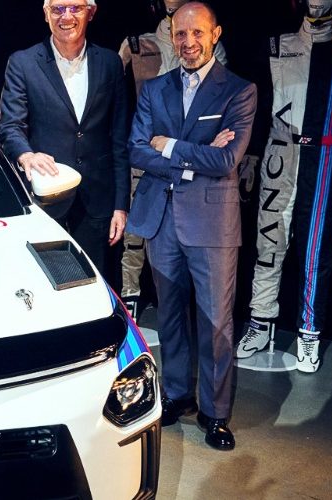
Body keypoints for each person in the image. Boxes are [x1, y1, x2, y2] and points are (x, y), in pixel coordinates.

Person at [125, 1, 255, 451]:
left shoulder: (238, 90)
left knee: (216, 322)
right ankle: (178, 395)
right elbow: (136, 150)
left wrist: (169, 146)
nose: (188, 42)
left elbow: (226, 160)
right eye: (181, 34)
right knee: (171, 317)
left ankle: (215, 414)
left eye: (197, 33)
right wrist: (191, 154)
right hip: (162, 220)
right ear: (171, 36)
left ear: (215, 34)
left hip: (211, 224)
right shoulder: (154, 89)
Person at [235, 0, 332, 373]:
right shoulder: (277, 44)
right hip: (280, 151)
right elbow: (259, 105)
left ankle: (309, 332)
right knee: (268, 242)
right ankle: (260, 321)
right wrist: (250, 159)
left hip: (326, 156)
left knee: (316, 249)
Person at [0, 0, 131, 276]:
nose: (66, 16)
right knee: (47, 281)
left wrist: (121, 205)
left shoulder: (110, 63)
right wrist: (26, 154)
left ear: (91, 12)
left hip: (98, 200)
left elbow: (119, 138)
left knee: (98, 282)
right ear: (45, 14)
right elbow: (10, 126)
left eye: (75, 8)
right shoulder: (23, 63)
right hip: (45, 198)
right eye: (58, 9)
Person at [116, 0, 229, 319]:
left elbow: (222, 96)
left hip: (187, 153)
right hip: (147, 150)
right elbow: (110, 96)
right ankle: (130, 295)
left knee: (186, 233)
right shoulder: (136, 44)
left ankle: (180, 306)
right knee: (136, 231)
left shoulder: (207, 45)